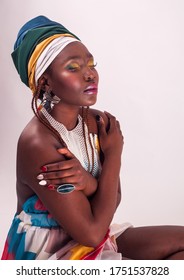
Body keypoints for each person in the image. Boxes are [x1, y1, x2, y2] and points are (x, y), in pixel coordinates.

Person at [1, 15, 184, 260]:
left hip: (92, 231)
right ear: (45, 82)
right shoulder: (38, 142)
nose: (90, 75)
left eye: (91, 64)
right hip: (46, 252)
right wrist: (114, 155)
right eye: (73, 68)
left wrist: (90, 183)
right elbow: (91, 234)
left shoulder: (95, 122)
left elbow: (114, 198)